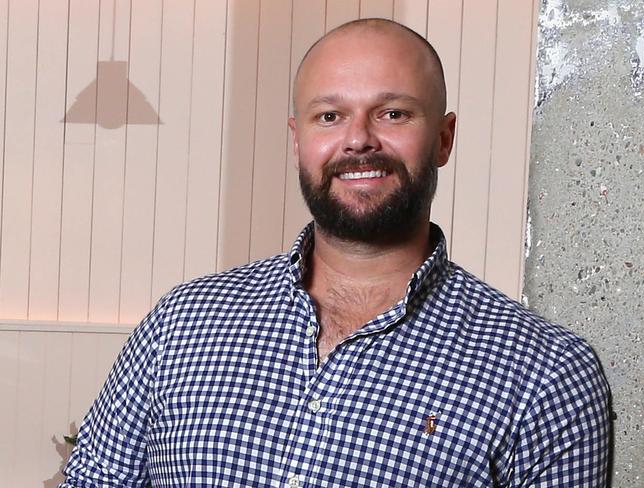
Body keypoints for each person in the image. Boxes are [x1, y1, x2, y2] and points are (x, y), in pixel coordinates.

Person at [61, 18, 610, 487]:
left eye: (393, 113)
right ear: (298, 140)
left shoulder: (550, 376)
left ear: (443, 139)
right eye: (330, 116)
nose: (358, 140)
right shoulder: (182, 324)